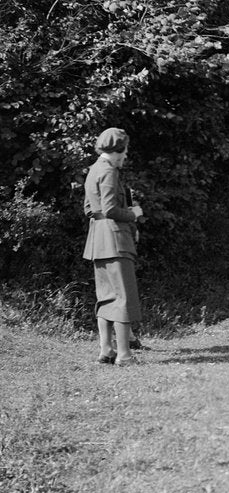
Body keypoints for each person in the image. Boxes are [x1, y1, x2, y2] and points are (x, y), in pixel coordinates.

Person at [83, 127, 144, 366]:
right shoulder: (109, 171)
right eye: (125, 151)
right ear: (117, 151)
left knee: (106, 297)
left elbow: (90, 210)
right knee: (123, 297)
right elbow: (110, 209)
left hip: (98, 240)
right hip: (115, 240)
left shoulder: (93, 170)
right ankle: (124, 354)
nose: (126, 156)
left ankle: (106, 350)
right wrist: (133, 214)